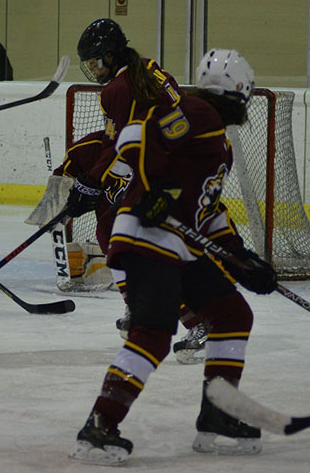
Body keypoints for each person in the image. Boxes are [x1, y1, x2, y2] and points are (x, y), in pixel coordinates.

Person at [68, 49, 278, 466]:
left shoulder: (218, 143)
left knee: (233, 314)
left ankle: (218, 414)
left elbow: (207, 211)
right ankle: (100, 426)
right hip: (147, 239)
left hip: (177, 246)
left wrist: (242, 259)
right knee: (152, 333)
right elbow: (133, 138)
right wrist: (156, 189)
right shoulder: (199, 113)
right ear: (239, 92)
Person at [63, 18, 210, 362]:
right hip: (183, 167)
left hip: (165, 173)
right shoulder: (146, 69)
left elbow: (119, 146)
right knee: (112, 231)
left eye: (95, 61)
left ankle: (201, 321)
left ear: (111, 55)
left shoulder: (117, 90)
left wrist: (92, 182)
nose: (92, 69)